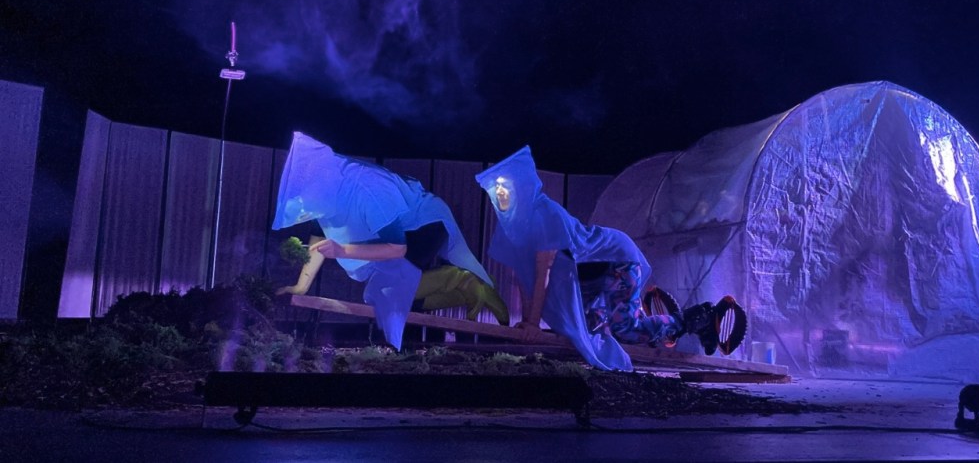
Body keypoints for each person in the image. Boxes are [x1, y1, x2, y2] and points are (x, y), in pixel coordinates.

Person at [475, 146, 743, 371]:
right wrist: (526, 323)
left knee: (625, 328)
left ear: (522, 187)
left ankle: (695, 318)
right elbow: (525, 276)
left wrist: (533, 325)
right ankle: (665, 323)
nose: (501, 194)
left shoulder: (545, 214)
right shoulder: (517, 226)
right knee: (589, 330)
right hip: (590, 276)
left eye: (506, 188)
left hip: (616, 260)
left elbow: (543, 273)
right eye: (497, 190)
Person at [272, 132, 508, 349]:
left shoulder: (368, 190)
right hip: (401, 230)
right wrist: (301, 287)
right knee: (402, 300)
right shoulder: (323, 192)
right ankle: (473, 290)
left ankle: (461, 279)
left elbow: (397, 248)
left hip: (424, 223)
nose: (304, 209)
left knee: (387, 292)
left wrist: (342, 250)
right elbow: (318, 239)